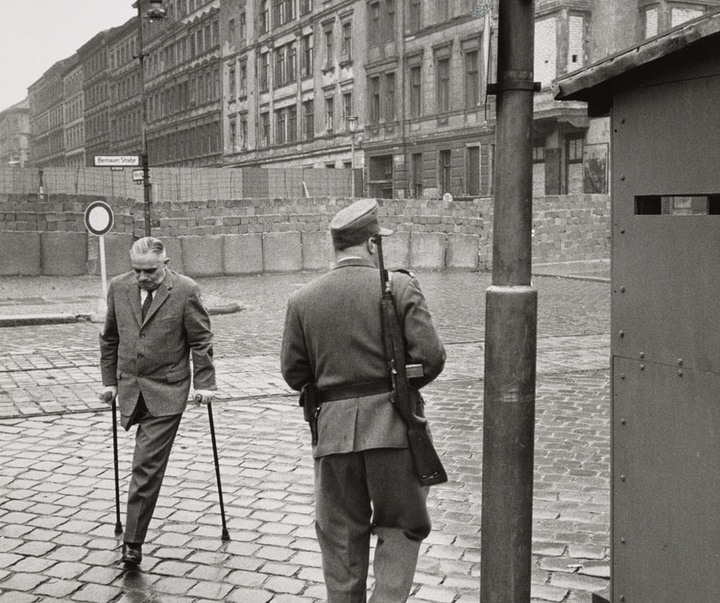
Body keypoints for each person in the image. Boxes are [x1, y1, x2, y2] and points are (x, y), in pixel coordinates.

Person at [280, 199, 446, 602]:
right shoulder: (401, 286)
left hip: (333, 436)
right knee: (401, 527)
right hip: (394, 430)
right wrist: (400, 385)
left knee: (339, 539)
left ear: (336, 247)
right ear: (372, 244)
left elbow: (293, 373)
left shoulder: (302, 299)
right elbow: (431, 357)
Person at [98, 236, 216, 567]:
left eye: (149, 271)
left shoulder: (185, 290)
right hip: (130, 386)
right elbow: (109, 337)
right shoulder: (119, 288)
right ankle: (133, 534)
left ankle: (133, 543)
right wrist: (109, 381)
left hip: (167, 390)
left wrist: (205, 383)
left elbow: (201, 339)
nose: (142, 278)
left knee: (145, 465)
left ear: (165, 263)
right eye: (136, 271)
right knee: (142, 464)